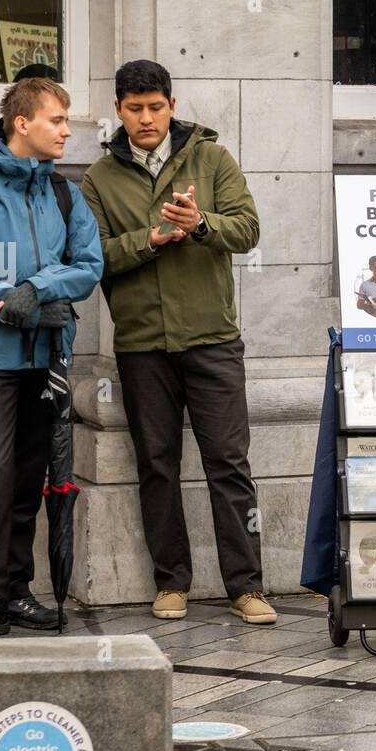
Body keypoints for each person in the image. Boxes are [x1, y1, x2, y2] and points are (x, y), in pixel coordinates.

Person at [80, 59, 276, 625]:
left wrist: (201, 224)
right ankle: (172, 582)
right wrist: (151, 237)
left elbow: (248, 229)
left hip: (213, 339)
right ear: (118, 110)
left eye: (156, 107)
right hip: (143, 345)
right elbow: (95, 259)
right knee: (157, 465)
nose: (147, 118)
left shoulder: (210, 157)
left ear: (171, 105)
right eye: (135, 108)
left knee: (228, 464)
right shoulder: (99, 178)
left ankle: (247, 586)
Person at [0, 77, 104, 639]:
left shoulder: (62, 192)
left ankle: (17, 591)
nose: (67, 131)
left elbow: (88, 264)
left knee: (31, 474)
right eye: (57, 120)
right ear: (22, 123)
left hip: (47, 357)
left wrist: (36, 285)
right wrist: (16, 304)